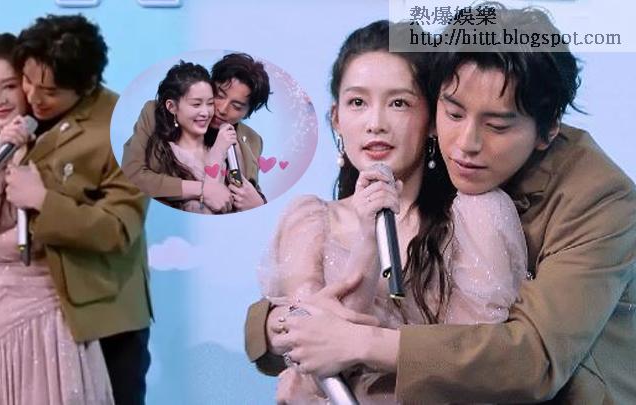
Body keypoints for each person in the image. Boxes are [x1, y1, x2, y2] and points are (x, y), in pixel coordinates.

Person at [246, 4, 636, 404]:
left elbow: (532, 359)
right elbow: (296, 313)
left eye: (497, 126)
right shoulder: (383, 197)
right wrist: (278, 324)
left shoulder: (598, 198)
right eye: (454, 112)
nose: (466, 144)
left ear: (547, 130)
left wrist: (358, 341)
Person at [255, 20, 528, 403]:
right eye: (357, 103)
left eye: (399, 103)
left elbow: (473, 363)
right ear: (336, 118)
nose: (376, 124)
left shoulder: (475, 216)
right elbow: (316, 356)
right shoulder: (308, 220)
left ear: (432, 120)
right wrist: (366, 244)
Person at [0, 15, 153, 405]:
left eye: (49, 91)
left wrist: (42, 200)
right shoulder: (13, 121)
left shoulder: (125, 130)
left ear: (86, 85)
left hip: (102, 316)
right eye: (27, 81)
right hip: (18, 317)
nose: (33, 97)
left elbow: (117, 229)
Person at [122, 52, 271, 212]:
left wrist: (259, 204)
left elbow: (251, 190)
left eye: (236, 106)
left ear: (247, 113)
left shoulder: (252, 139)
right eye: (219, 96)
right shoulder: (157, 112)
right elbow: (132, 173)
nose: (222, 109)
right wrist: (202, 189)